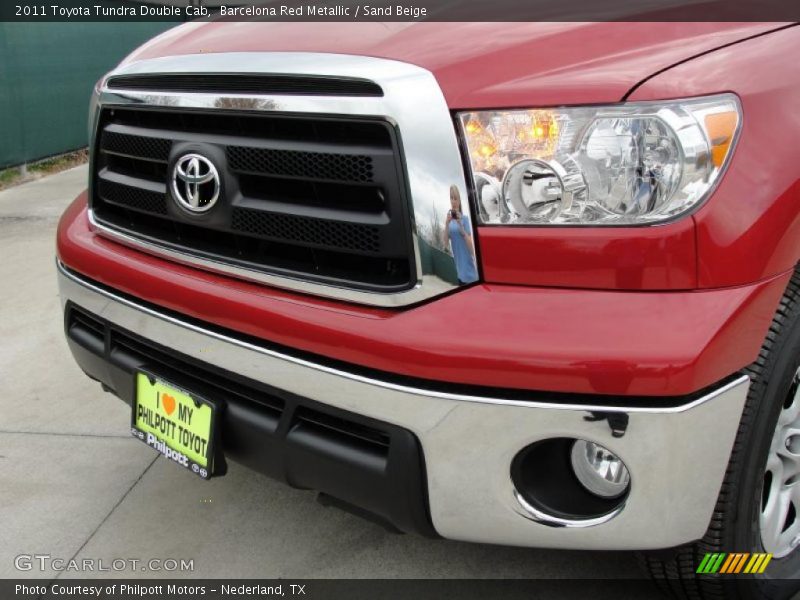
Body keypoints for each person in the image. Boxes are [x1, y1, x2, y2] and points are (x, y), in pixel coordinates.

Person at [443, 185, 479, 285]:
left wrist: (461, 227)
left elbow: (472, 250)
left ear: (459, 200)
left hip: (471, 274)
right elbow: (445, 245)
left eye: (455, 198)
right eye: (451, 198)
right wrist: (446, 224)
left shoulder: (465, 219)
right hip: (459, 274)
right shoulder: (449, 222)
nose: (453, 201)